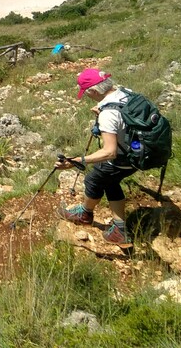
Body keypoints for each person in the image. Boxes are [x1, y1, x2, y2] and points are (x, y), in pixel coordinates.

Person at [56, 69, 137, 247]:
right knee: (110, 181)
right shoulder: (126, 93)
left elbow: (109, 152)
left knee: (94, 179)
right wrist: (102, 114)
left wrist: (77, 161)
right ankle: (119, 229)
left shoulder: (109, 113)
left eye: (86, 93)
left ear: (93, 91)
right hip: (141, 152)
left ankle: (85, 214)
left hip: (124, 158)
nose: (87, 96)